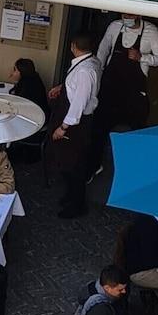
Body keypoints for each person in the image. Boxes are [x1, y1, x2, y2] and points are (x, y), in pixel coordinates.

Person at [94, 12, 158, 157]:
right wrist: (98, 72)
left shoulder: (151, 31)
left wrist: (142, 57)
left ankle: (133, 159)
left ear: (139, 15)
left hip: (134, 90)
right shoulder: (114, 27)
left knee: (137, 129)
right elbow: (103, 50)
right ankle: (96, 161)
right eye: (124, 15)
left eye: (130, 15)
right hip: (110, 86)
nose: (126, 18)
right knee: (100, 126)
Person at [50, 31, 101, 218]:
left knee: (74, 166)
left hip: (75, 125)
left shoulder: (85, 71)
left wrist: (63, 127)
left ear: (73, 46)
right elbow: (77, 89)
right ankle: (70, 196)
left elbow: (79, 102)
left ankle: (77, 205)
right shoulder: (91, 62)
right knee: (69, 163)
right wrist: (62, 87)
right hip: (75, 120)